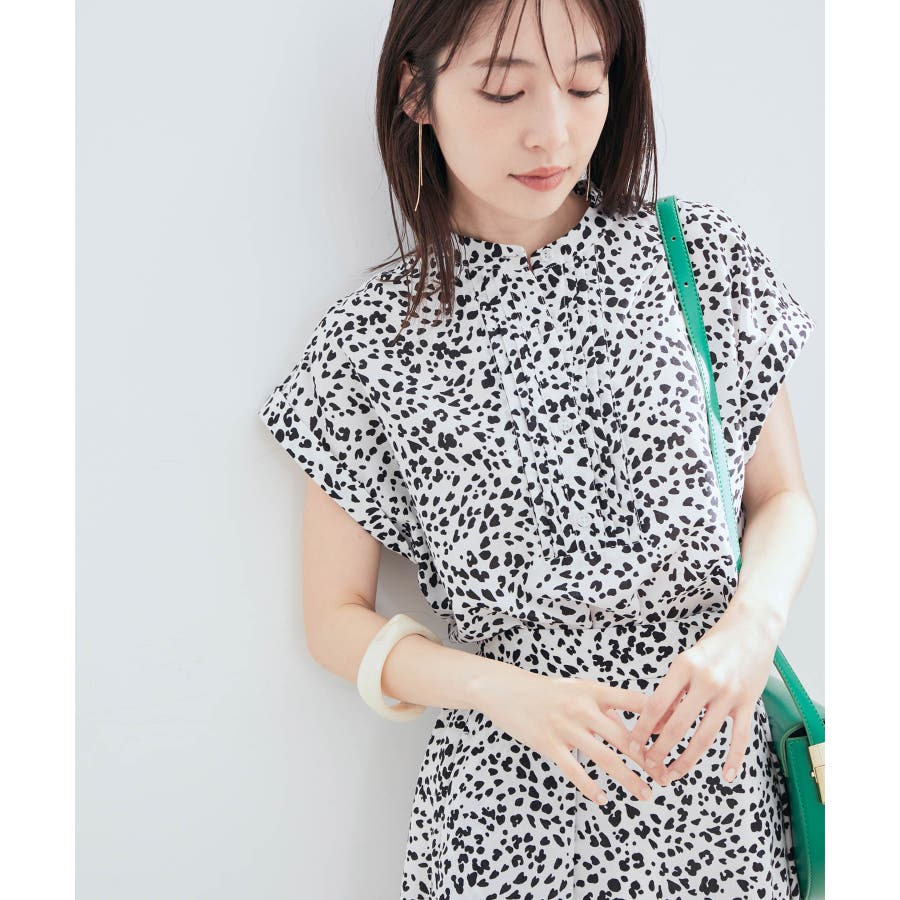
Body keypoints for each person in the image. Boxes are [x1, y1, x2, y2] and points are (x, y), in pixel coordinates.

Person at [257, 1, 817, 897]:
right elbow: (334, 618)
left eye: (585, 85)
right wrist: (501, 689)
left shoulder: (695, 260)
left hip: (722, 816)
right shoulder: (369, 341)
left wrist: (751, 627)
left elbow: (783, 499)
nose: (552, 131)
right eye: (503, 91)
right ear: (416, 92)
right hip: (500, 824)